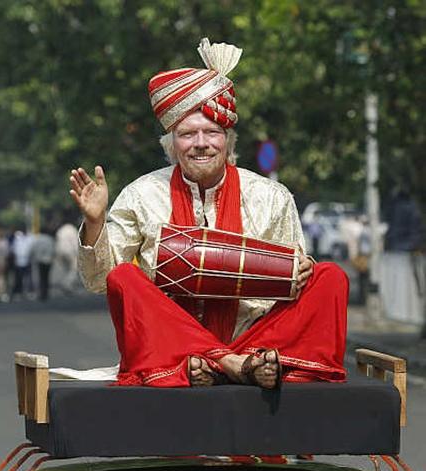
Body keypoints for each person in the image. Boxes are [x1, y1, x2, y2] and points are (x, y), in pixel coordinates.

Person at [70, 38, 348, 389]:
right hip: (174, 348)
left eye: (212, 133)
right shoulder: (142, 194)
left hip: (257, 344)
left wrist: (301, 269)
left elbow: (292, 285)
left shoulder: (270, 196)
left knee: (331, 277)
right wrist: (95, 223)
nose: (200, 143)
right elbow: (99, 281)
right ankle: (228, 363)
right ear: (171, 145)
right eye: (187, 135)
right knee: (124, 279)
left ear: (228, 141)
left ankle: (225, 363)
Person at [31, 226, 56, 301]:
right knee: (47, 277)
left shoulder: (37, 239)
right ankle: (46, 293)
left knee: (41, 278)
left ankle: (41, 293)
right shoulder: (50, 239)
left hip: (40, 261)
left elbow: (33, 249)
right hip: (48, 261)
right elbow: (53, 250)